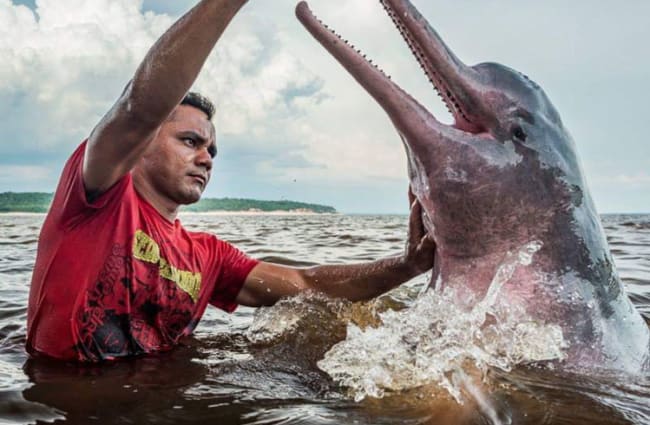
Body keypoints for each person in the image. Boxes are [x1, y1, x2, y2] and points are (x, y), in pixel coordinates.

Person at [26, 0, 435, 362]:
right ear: (142, 144)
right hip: (66, 403)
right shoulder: (95, 196)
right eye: (190, 141)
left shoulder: (208, 257)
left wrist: (407, 266)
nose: (206, 158)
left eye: (212, 151)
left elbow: (303, 283)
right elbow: (139, 107)